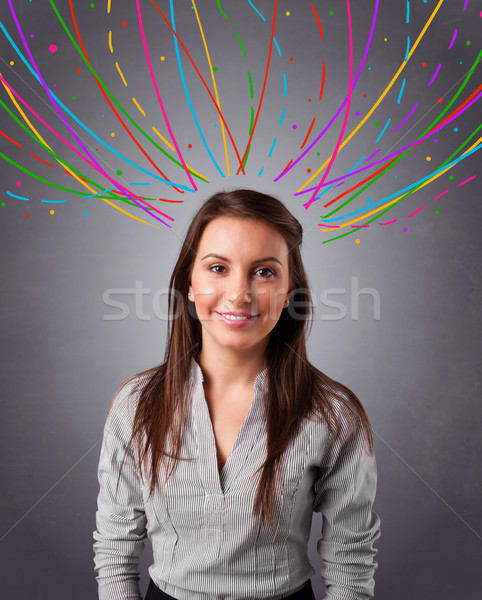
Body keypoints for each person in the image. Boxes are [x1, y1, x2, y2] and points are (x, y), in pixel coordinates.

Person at [93, 188, 381, 600]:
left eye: (264, 272)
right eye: (217, 267)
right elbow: (115, 550)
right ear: (188, 284)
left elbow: (351, 564)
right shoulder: (136, 404)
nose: (239, 294)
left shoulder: (334, 415)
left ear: (289, 292)